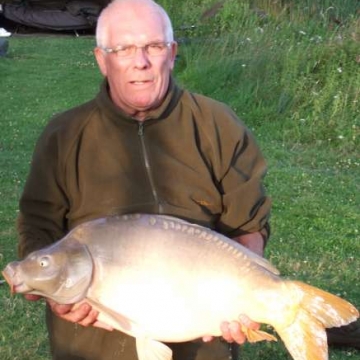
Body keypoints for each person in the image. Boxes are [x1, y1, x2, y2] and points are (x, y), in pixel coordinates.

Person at [16, 0, 358, 359]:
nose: (141, 62)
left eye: (153, 46)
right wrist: (55, 294)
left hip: (204, 335)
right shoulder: (64, 135)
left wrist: (245, 299)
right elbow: (38, 226)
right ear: (102, 59)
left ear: (173, 53)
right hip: (90, 342)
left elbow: (248, 225)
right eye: (123, 49)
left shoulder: (218, 125)